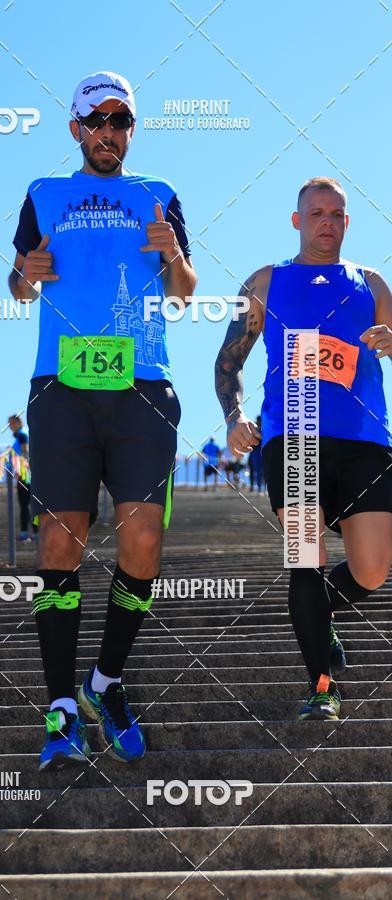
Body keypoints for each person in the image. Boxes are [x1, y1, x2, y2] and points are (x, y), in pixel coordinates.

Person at [9, 71, 196, 770]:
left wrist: (172, 255)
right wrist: (26, 273)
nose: (110, 134)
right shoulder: (42, 194)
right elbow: (19, 283)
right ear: (76, 129)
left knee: (143, 539)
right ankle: (60, 705)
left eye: (122, 123)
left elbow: (184, 294)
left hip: (143, 384)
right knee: (60, 541)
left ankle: (106, 682)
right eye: (98, 121)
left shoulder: (159, 194)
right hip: (60, 386)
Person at [214, 176, 392, 721]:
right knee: (305, 559)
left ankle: (323, 616)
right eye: (316, 212)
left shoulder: (373, 283)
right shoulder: (267, 281)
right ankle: (321, 686)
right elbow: (228, 361)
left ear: (346, 222)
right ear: (297, 220)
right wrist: (234, 416)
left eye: (337, 214)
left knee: (372, 570)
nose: (327, 221)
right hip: (294, 436)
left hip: (364, 440)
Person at [8, 414, 37, 541]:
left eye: (11, 423)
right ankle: (33, 532)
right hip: (27, 473)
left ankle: (27, 532)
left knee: (25, 504)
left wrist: (21, 471)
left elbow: (25, 453)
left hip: (26, 475)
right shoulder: (23, 434)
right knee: (28, 504)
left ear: (18, 422)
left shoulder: (22, 435)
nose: (10, 427)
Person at [248, 415, 264, 492]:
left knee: (261, 471)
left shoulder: (262, 429)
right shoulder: (255, 429)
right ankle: (259, 488)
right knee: (257, 471)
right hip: (255, 452)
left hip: (259, 452)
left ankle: (262, 489)